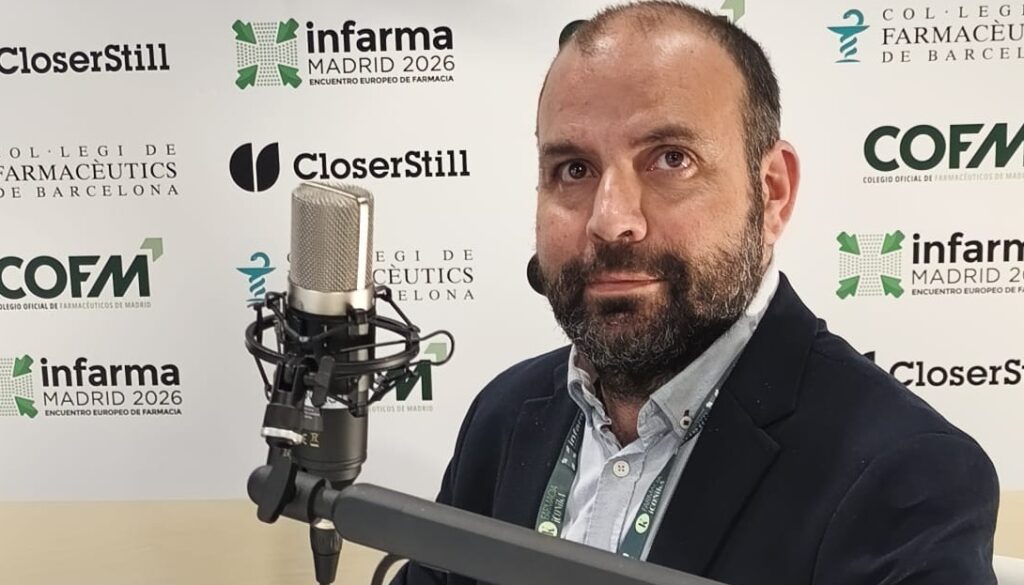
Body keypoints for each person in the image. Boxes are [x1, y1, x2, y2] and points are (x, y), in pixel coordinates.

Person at [393, 2, 999, 583]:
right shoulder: (503, 415)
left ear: (772, 191)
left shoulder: (906, 473)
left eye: (670, 159)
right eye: (574, 169)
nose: (611, 220)